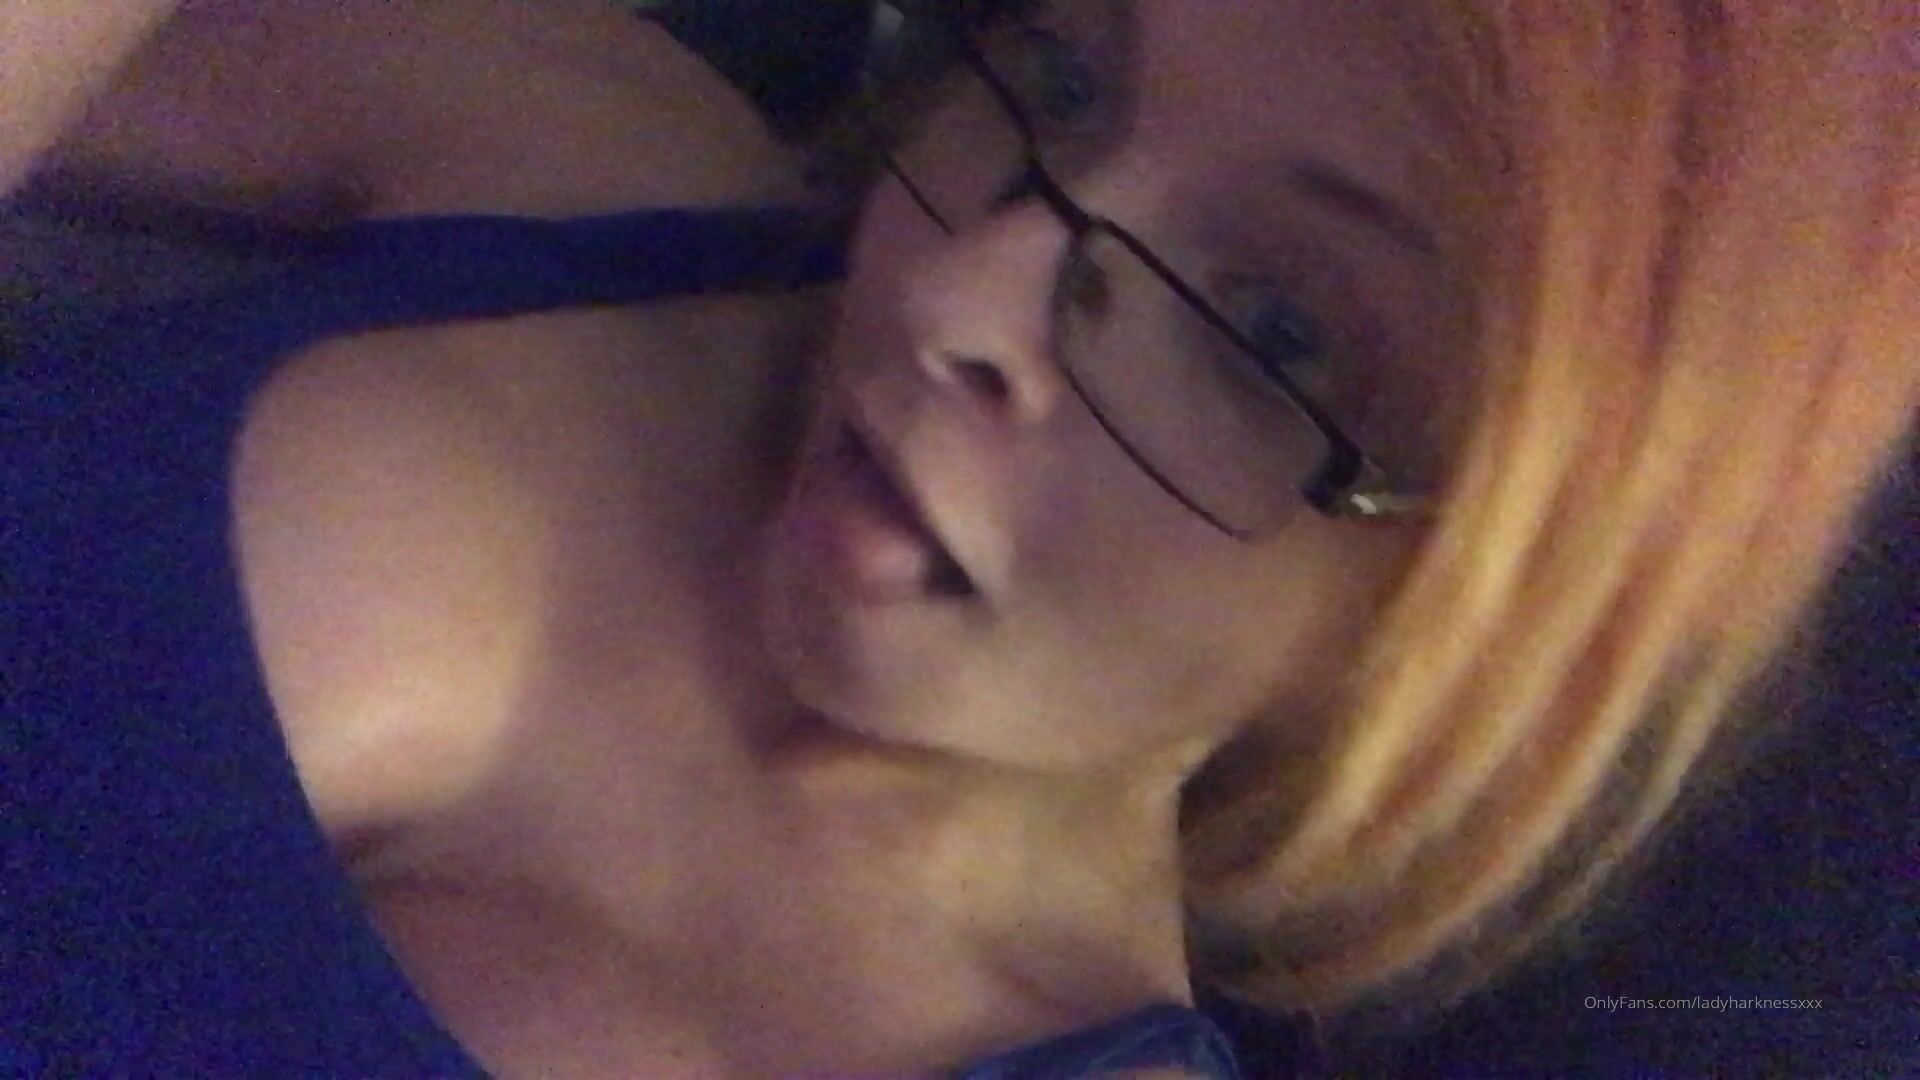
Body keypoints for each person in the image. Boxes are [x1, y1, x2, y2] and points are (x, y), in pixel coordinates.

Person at [5, 0, 1912, 1076]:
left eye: (1268, 330)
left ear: (1499, 609)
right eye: (1070, 83)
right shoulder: (590, 171)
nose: (959, 297)